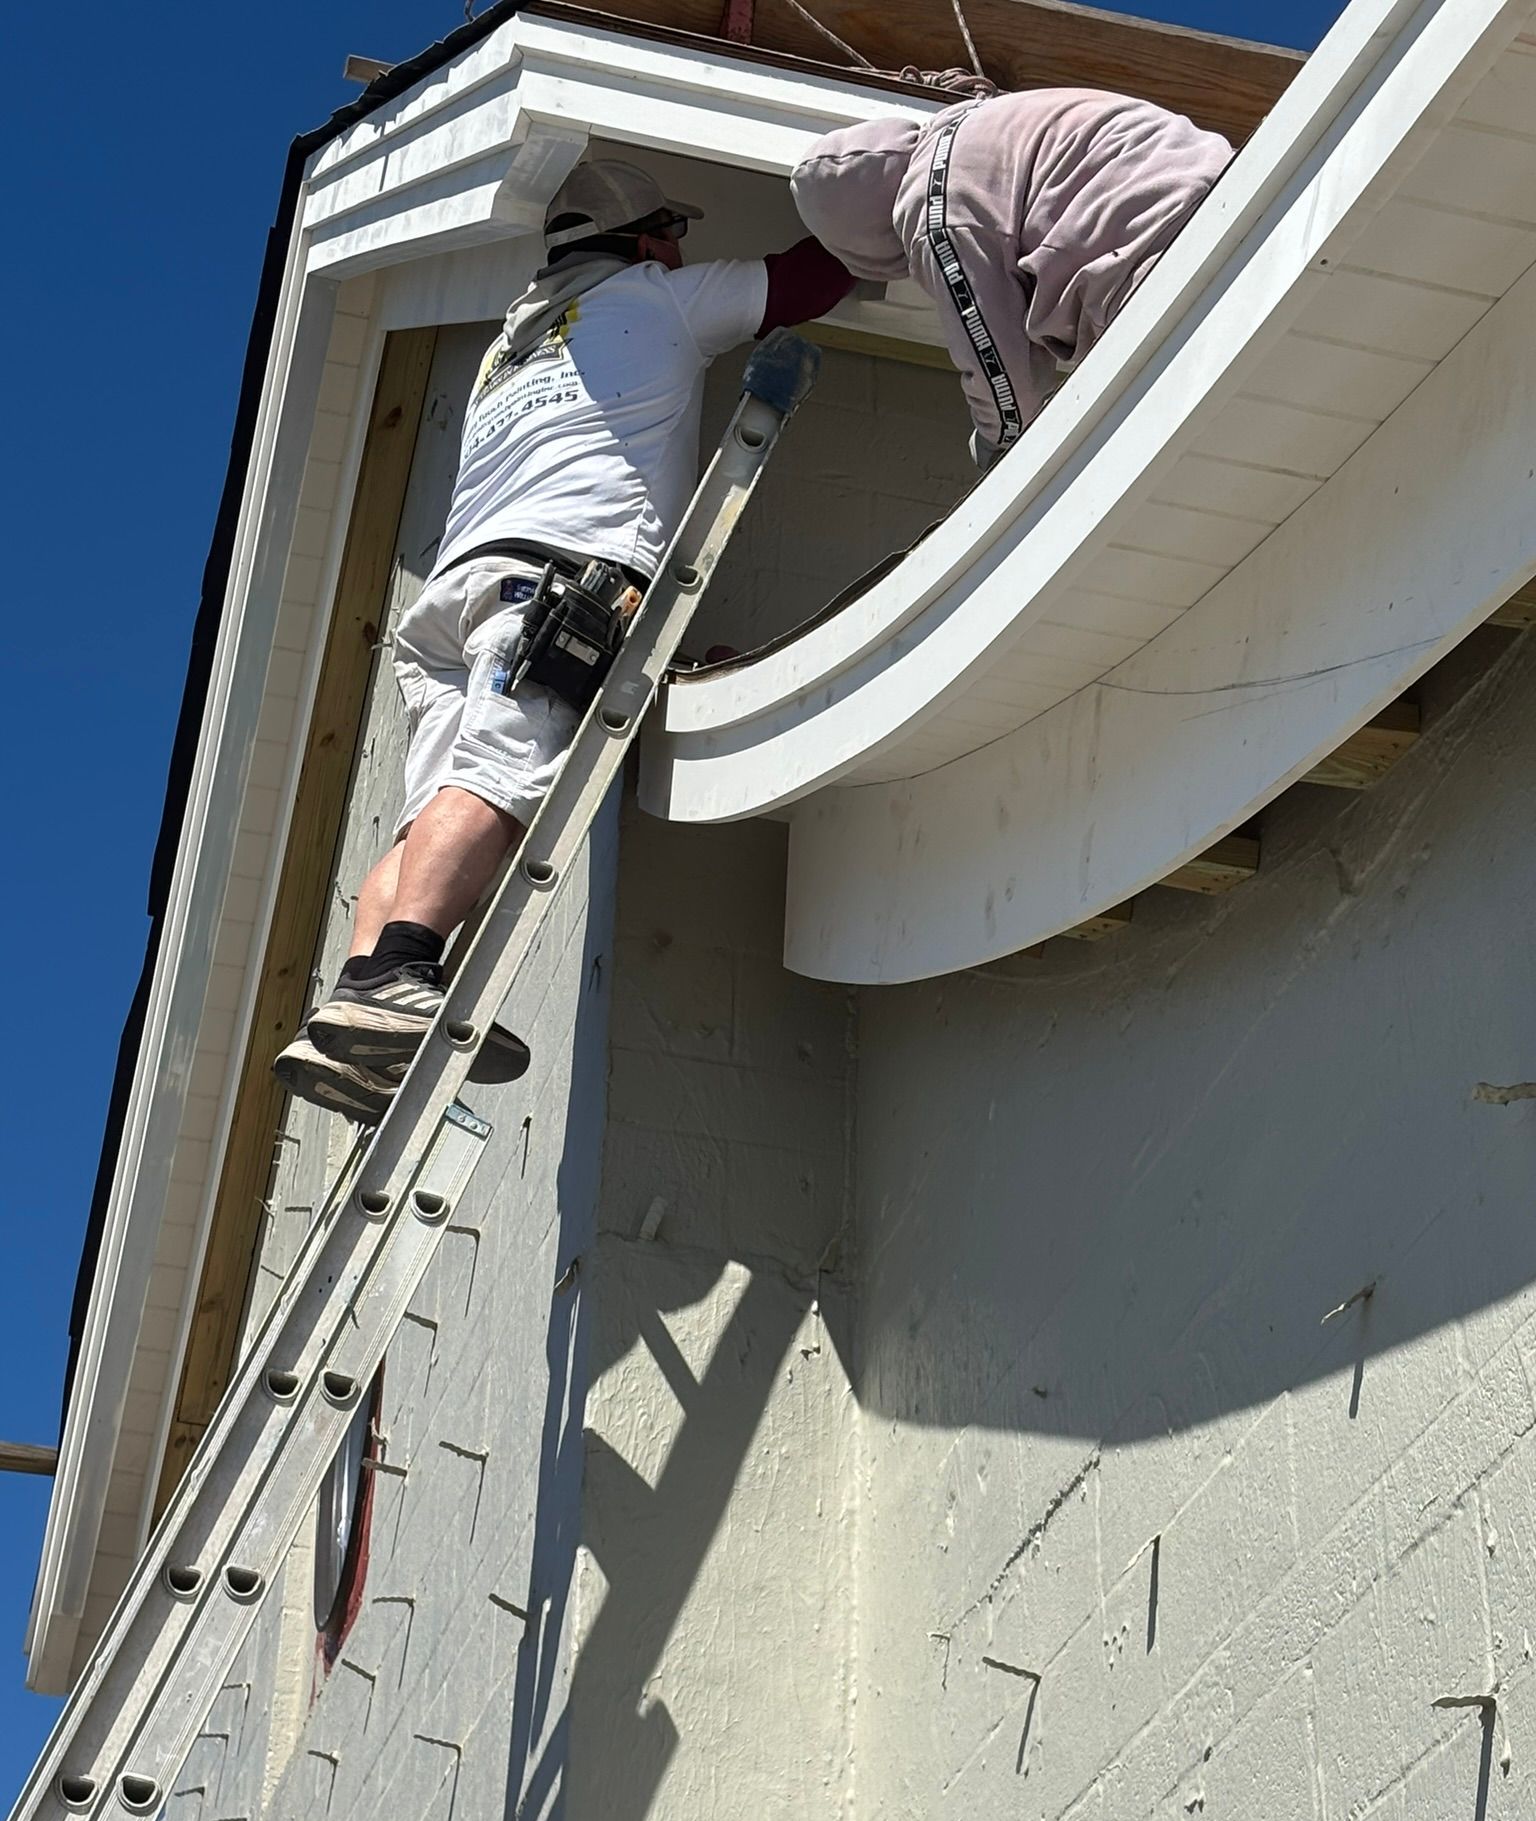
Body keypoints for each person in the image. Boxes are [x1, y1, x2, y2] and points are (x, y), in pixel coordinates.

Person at [275, 160, 853, 1118]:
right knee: (502, 781)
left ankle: (354, 1001)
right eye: (671, 231)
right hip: (545, 584)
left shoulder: (512, 342)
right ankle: (400, 977)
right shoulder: (657, 297)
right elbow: (806, 281)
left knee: (434, 815)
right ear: (643, 238)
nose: (681, 247)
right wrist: (891, 191)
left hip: (456, 593)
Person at [790, 89, 1232, 466]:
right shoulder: (978, 117)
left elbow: (1004, 376)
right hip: (1225, 188)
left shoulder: (933, 208)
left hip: (1152, 258)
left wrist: (995, 444)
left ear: (865, 238)